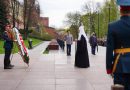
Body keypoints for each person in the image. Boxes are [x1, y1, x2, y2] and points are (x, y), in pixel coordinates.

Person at [106, 0, 130, 90]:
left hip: (120, 65)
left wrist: (109, 68)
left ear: (120, 10)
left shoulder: (112, 26)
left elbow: (109, 50)